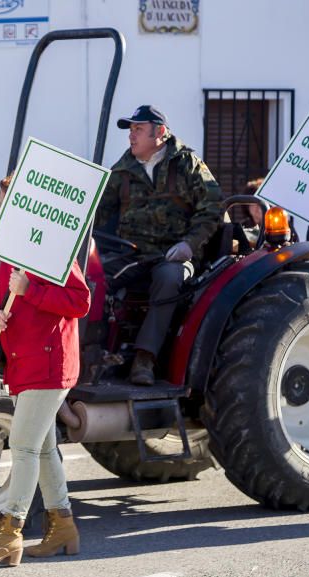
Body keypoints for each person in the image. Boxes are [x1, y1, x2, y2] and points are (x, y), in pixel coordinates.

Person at [0, 260, 91, 566]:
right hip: (25, 364)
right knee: (44, 448)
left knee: (23, 446)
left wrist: (30, 290)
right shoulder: (4, 255)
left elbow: (80, 301)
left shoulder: (57, 251)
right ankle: (63, 526)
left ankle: (10, 531)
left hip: (49, 365)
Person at [94, 105, 222, 385]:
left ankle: (145, 359)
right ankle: (95, 353)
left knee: (169, 278)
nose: (131, 136)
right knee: (94, 278)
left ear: (160, 133)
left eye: (138, 129)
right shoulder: (123, 168)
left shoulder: (187, 164)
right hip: (132, 253)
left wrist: (190, 244)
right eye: (131, 130)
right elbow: (98, 209)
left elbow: (212, 208)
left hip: (173, 254)